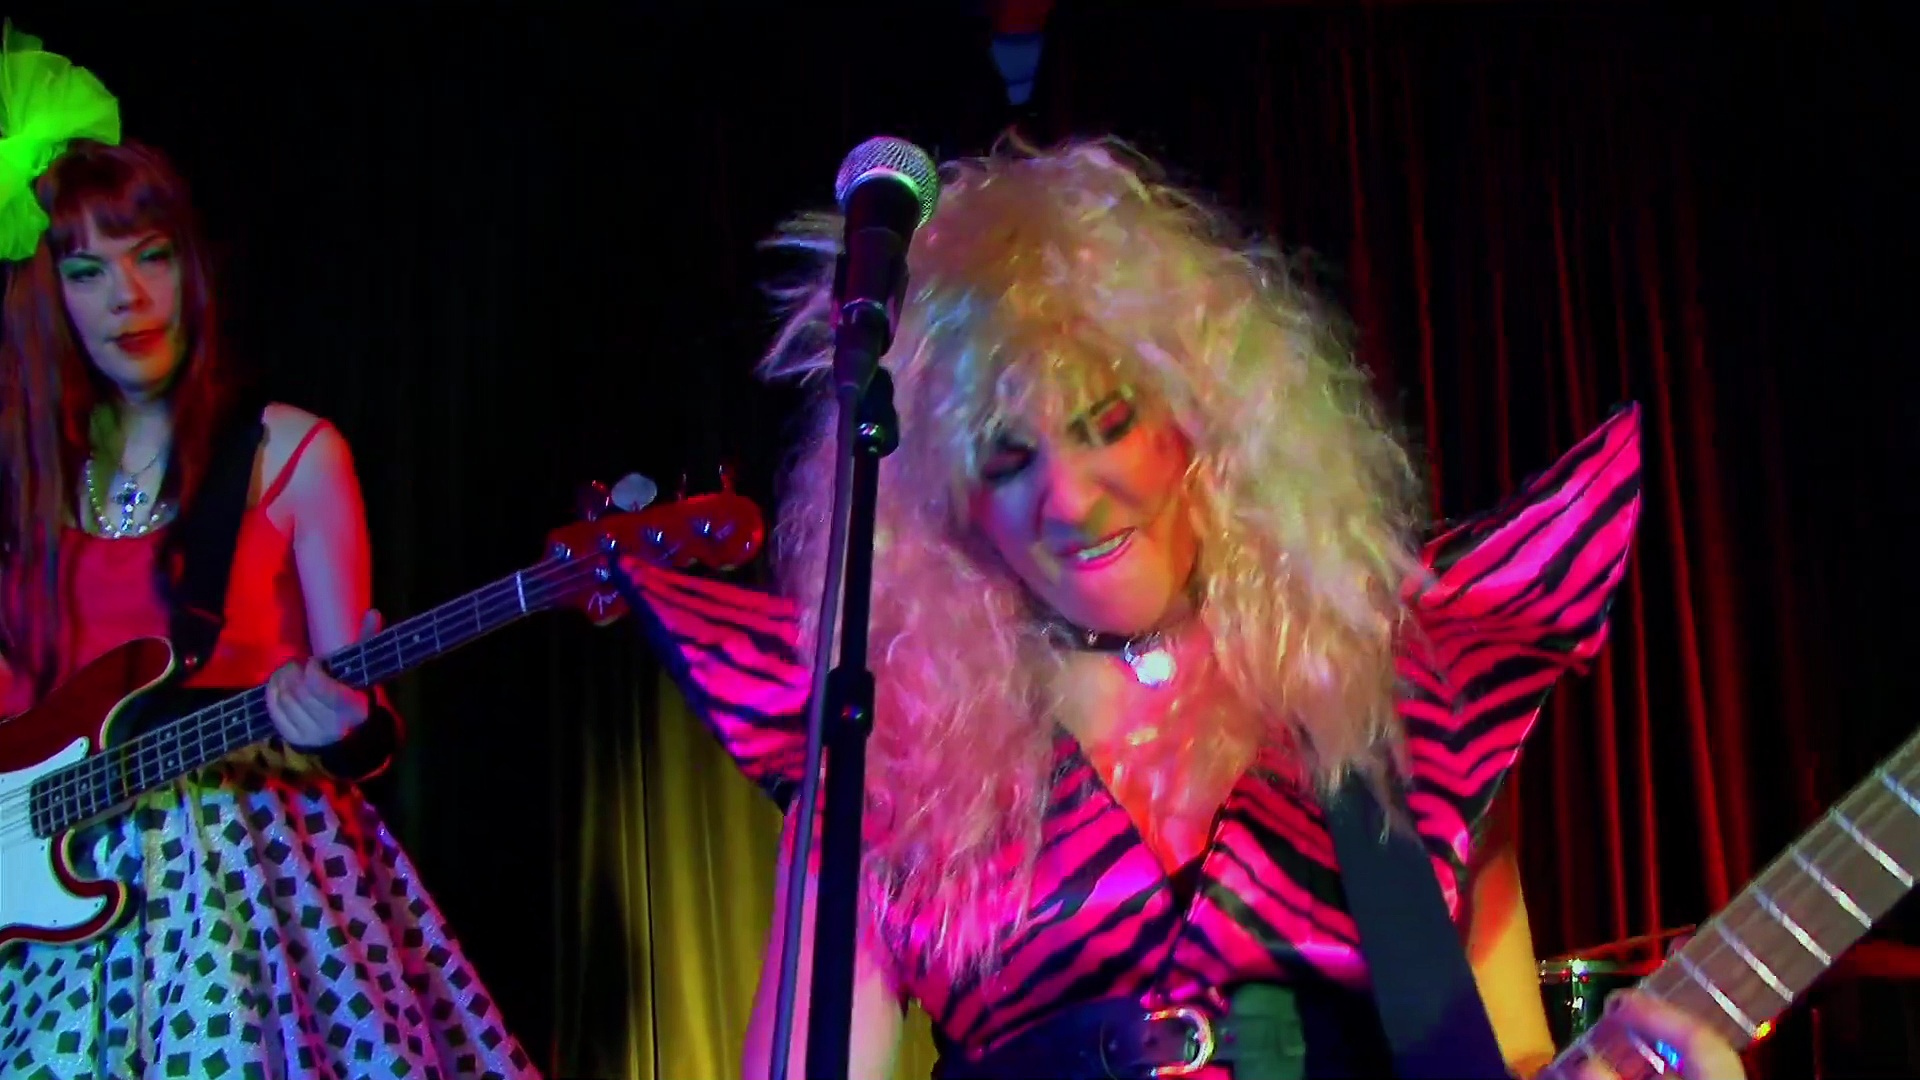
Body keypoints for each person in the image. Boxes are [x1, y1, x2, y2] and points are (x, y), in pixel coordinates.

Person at [616, 133, 1753, 1079]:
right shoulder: (894, 764)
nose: (1071, 498)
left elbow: (1503, 1054)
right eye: (1008, 461)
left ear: (1204, 416)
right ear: (954, 512)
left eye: (1107, 423)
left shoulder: (1394, 694)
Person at [0, 26, 536, 1079]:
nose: (127, 298)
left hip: (247, 882)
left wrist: (344, 720)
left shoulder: (293, 454)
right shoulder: (27, 485)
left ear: (190, 268)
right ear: (48, 298)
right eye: (88, 271)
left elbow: (361, 717)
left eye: (151, 257)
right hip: (42, 899)